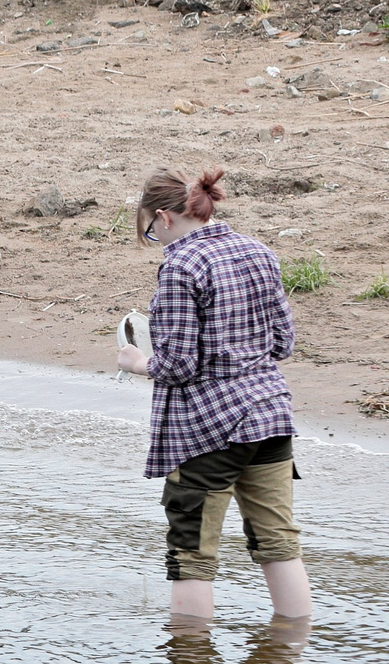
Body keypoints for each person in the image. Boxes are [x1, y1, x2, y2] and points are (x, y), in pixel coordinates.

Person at [117, 165, 311, 624]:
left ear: (164, 218)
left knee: (192, 555)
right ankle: (286, 663)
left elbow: (179, 366)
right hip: (270, 417)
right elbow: (283, 343)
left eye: (149, 233)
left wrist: (138, 362)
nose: (154, 242)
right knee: (279, 543)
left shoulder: (181, 265)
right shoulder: (258, 249)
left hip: (207, 432)